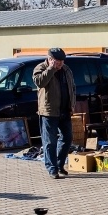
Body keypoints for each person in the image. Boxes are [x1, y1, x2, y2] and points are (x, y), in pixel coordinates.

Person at [33, 48, 75, 179]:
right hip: (49, 111)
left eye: (62, 61)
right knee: (50, 141)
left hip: (65, 110)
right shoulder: (40, 68)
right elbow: (40, 82)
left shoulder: (66, 69)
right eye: (58, 61)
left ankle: (59, 164)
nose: (61, 64)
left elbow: (72, 88)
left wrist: (72, 105)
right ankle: (52, 168)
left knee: (67, 138)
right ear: (50, 59)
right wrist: (51, 69)